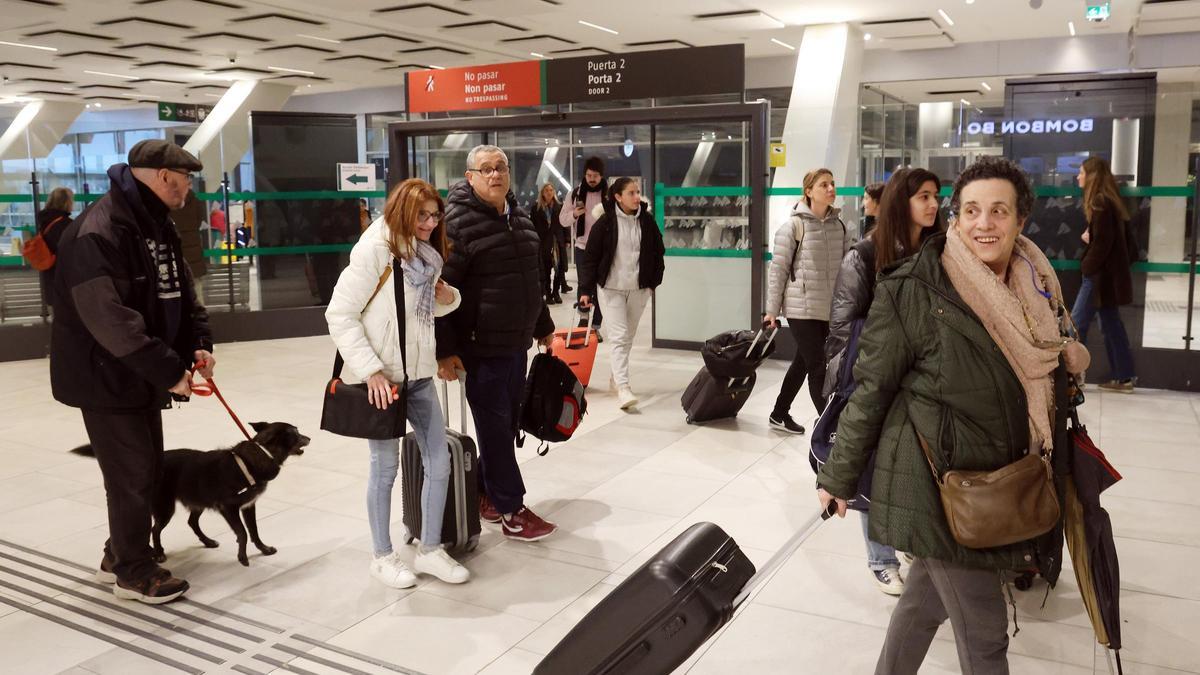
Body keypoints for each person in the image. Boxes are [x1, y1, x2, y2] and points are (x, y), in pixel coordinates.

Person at [817, 156, 1089, 674]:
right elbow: (870, 389)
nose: (984, 224)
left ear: (1020, 220)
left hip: (1001, 481)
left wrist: (1070, 361)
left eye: (998, 211)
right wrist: (839, 475)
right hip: (941, 485)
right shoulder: (915, 288)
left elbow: (1041, 368)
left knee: (922, 605)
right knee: (986, 636)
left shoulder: (1036, 286)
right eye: (972, 211)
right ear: (956, 218)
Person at [51, 140, 213, 605]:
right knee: (134, 474)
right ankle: (133, 569)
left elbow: (180, 291)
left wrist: (197, 345)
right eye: (185, 178)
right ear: (164, 176)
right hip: (104, 373)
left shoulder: (155, 224)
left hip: (138, 371)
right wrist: (168, 370)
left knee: (143, 470)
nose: (188, 188)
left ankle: (117, 553)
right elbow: (110, 321)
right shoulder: (97, 231)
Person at [326, 178, 469, 588]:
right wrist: (370, 369)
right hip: (384, 379)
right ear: (402, 213)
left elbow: (417, 314)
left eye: (434, 215)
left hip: (419, 376)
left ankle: (429, 549)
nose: (428, 224)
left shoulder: (427, 256)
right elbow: (340, 314)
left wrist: (449, 298)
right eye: (420, 216)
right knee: (384, 469)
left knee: (439, 462)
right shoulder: (376, 250)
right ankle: (382, 555)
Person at [823, 168, 943, 597]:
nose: (932, 204)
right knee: (872, 466)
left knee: (908, 463)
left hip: (921, 377)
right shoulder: (866, 254)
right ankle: (881, 557)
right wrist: (845, 382)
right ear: (900, 201)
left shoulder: (937, 249)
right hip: (874, 373)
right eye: (923, 196)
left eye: (935, 196)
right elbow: (842, 325)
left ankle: (907, 541)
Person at [436, 144, 559, 542]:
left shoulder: (519, 218)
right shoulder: (456, 225)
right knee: (492, 426)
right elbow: (439, 295)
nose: (495, 175)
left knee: (505, 426)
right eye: (486, 169)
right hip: (480, 347)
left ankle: (487, 493)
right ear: (470, 177)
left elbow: (532, 279)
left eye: (501, 167)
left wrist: (542, 324)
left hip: (515, 343)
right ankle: (512, 510)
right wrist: (445, 349)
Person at [764, 168, 849, 434]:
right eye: (824, 185)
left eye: (832, 184)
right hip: (801, 308)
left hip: (828, 308)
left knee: (803, 361)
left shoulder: (840, 226)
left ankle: (779, 413)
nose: (831, 189)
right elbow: (777, 270)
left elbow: (848, 269)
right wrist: (771, 311)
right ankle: (830, 428)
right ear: (809, 191)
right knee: (817, 366)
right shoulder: (793, 227)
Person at [578, 177, 666, 410]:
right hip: (611, 288)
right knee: (618, 336)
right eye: (631, 193)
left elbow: (659, 251)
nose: (637, 197)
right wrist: (586, 290)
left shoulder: (646, 221)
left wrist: (652, 283)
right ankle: (624, 388)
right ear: (618, 197)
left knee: (628, 338)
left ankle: (615, 378)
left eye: (638, 192)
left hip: (638, 289)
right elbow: (590, 259)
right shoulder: (605, 223)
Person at [1072, 156, 1136, 393]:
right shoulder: (1109, 201)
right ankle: (1124, 377)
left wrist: (1086, 266)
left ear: (1091, 176)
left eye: (1081, 172)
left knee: (1076, 324)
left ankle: (1071, 377)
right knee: (1111, 326)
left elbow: (1104, 244)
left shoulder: (1099, 202)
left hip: (1098, 278)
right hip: (1108, 278)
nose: (1078, 177)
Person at [561, 156, 609, 336]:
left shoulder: (609, 194)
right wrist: (574, 214)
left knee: (601, 287)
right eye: (589, 175)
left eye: (595, 176)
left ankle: (596, 326)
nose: (591, 179)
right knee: (584, 285)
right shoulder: (574, 194)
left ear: (601, 176)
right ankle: (583, 320)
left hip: (604, 249)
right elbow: (562, 220)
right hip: (582, 248)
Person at [36, 186, 74, 308]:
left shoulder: (45, 221)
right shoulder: (65, 225)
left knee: (58, 318)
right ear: (66, 202)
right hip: (65, 282)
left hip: (50, 278)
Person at [171, 188, 207, 302]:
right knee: (197, 293)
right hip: (194, 254)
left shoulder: (168, 203)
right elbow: (199, 221)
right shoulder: (195, 201)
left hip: (176, 253)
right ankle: (200, 318)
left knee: (176, 295)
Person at [531, 183, 564, 305]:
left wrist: (566, 239)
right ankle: (548, 293)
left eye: (551, 190)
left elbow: (563, 223)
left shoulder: (559, 206)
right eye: (546, 190)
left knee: (559, 269)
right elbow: (532, 225)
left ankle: (556, 292)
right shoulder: (536, 207)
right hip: (544, 242)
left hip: (556, 241)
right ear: (542, 193)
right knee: (546, 269)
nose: (549, 192)